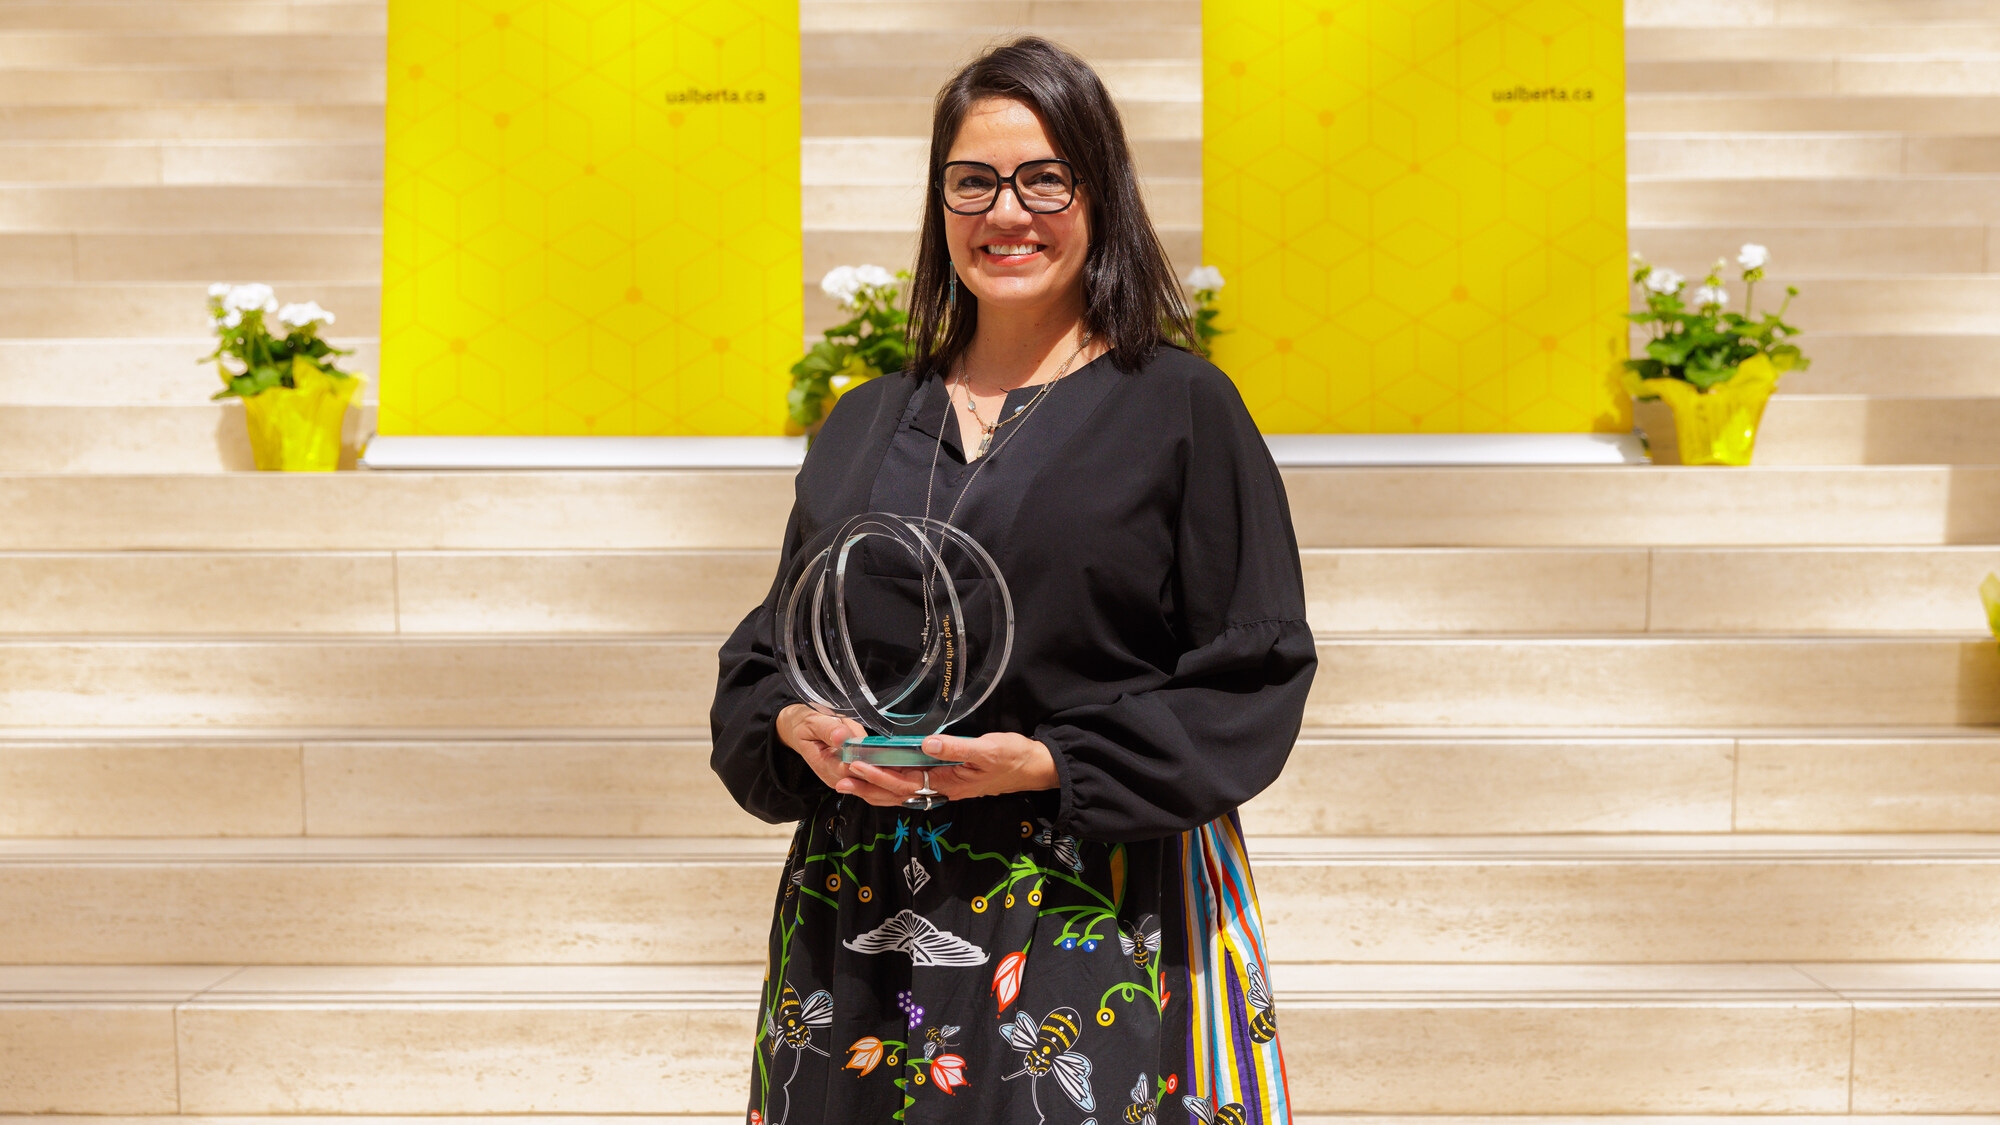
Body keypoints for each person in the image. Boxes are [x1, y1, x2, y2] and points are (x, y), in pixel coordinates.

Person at [711, 36, 1316, 1125]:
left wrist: (1050, 761)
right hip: (862, 916)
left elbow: (1255, 667)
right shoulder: (863, 421)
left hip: (1096, 908)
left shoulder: (1180, 408)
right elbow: (771, 648)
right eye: (972, 182)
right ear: (939, 205)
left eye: (1045, 178)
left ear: (1101, 193)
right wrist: (790, 726)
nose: (1006, 213)